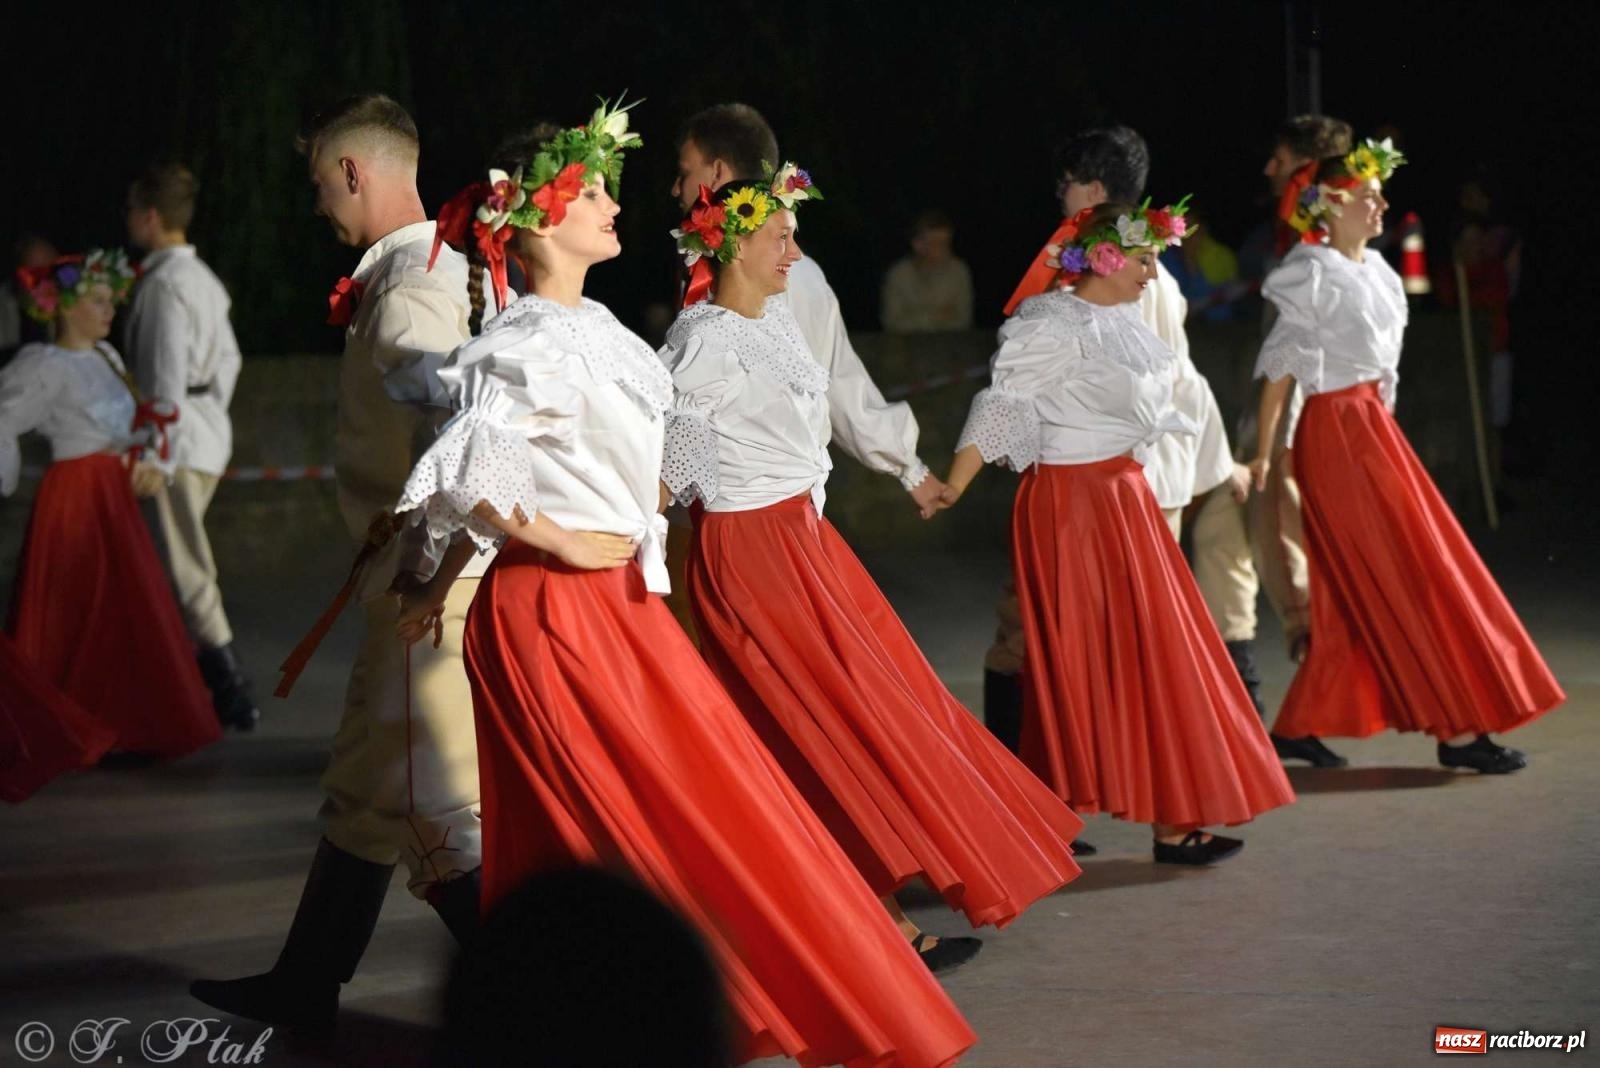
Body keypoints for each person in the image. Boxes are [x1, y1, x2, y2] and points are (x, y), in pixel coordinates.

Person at [390, 102, 975, 1067]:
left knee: (709, 797)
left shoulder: (608, 331)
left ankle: (698, 999)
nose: (616, 203)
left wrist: (639, 515)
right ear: (539, 221)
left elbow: (637, 463)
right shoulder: (520, 340)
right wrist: (557, 545)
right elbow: (476, 472)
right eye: (592, 192)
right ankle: (603, 1020)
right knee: (611, 820)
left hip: (621, 603)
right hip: (553, 612)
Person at [662, 166, 1080, 971]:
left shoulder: (774, 319)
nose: (794, 251)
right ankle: (873, 929)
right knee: (809, 732)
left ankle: (888, 910)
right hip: (753, 557)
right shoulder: (701, 340)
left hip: (801, 542)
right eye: (780, 237)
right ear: (734, 245)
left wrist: (897, 471)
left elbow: (827, 408)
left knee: (873, 709)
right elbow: (669, 474)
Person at [190, 94, 486, 1032]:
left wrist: (429, 573)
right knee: (370, 794)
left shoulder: (410, 287)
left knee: (435, 821)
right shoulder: (436, 269)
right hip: (411, 578)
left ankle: (557, 1004)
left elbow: (457, 432)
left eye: (321, 182)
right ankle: (305, 983)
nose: (318, 202)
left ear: (353, 172)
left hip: (420, 586)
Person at [946, 201, 1295, 864]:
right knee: (1077, 660)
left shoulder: (1128, 321)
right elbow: (1003, 403)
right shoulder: (1050, 321)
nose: (1152, 272)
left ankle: (1170, 818)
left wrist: (1214, 466)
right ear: (1104, 257)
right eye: (1143, 258)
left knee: (1156, 652)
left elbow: (1173, 397)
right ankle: (1052, 815)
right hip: (1073, 505)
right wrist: (955, 484)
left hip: (1125, 498)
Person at [1250, 139, 1563, 771]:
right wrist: (1265, 454)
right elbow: (1281, 370)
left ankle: (1305, 720)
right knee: (1411, 573)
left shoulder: (1378, 271)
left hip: (1371, 427)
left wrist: (1381, 431)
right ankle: (1459, 727)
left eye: (1379, 195)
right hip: (1336, 434)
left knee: (1376, 581)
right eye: (1368, 196)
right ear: (1331, 204)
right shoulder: (1311, 273)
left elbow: (1382, 372)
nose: (1381, 205)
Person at [984, 126, 1260, 783]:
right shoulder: (1149, 269)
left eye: (1067, 184)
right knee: (1141, 636)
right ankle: (1158, 784)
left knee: (1036, 634)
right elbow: (1180, 378)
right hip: (1148, 482)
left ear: (1093, 191)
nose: (1060, 195)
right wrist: (1217, 463)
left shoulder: (1092, 276)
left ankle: (1028, 784)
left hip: (1100, 486)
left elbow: (1046, 384)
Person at [1, 250, 220, 761]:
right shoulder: (44, 365)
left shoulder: (106, 357)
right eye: (98, 301)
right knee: (78, 606)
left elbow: (138, 420)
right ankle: (63, 723)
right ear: (64, 307)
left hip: (112, 493)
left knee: (121, 610)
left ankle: (119, 722)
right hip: (76, 495)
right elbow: (5, 417)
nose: (109, 311)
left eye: (110, 301)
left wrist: (148, 457)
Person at [124, 162, 257, 731]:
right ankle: (191, 686)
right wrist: (209, 414)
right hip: (201, 433)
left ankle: (229, 688)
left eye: (133, 210)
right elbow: (228, 360)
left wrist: (158, 451)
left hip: (175, 442)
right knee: (169, 565)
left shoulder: (164, 284)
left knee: (182, 567)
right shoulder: (200, 277)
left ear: (151, 217)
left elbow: (164, 377)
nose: (128, 219)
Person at [1254, 114, 1353, 767]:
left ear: (1304, 165)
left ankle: (1301, 705)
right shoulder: (1306, 222)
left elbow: (1295, 345)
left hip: (1301, 411)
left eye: (1279, 157)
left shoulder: (1313, 226)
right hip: (1297, 407)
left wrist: (1269, 438)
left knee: (1289, 551)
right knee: (1265, 551)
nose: (1270, 169)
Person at [881, 210, 975, 332]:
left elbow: (964, 321)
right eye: (937, 243)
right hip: (908, 343)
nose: (945, 250)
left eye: (947, 243)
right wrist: (936, 317)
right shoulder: (898, 274)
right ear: (917, 245)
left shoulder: (959, 271)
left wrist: (915, 316)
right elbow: (891, 323)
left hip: (949, 341)